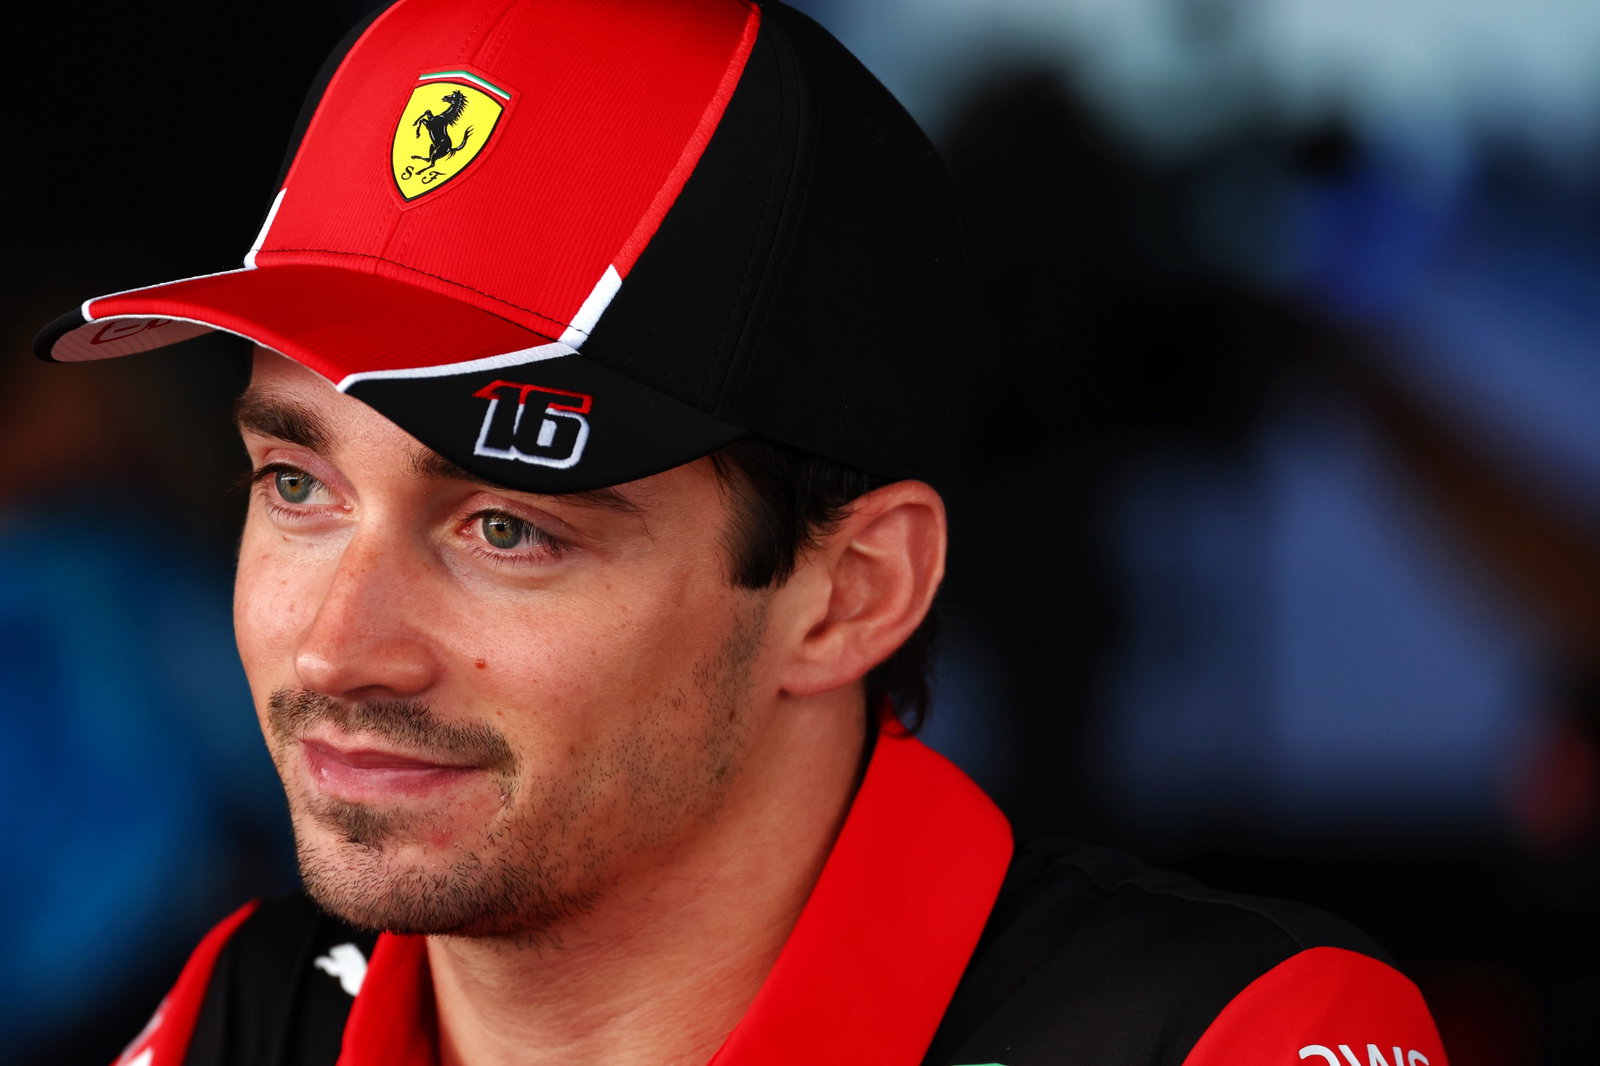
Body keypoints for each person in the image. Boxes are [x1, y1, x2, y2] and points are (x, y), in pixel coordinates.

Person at [37, 1, 1451, 1064]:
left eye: (508, 525)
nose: (339, 644)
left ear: (852, 590)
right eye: (300, 487)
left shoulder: (1228, 1037)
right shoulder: (252, 1002)